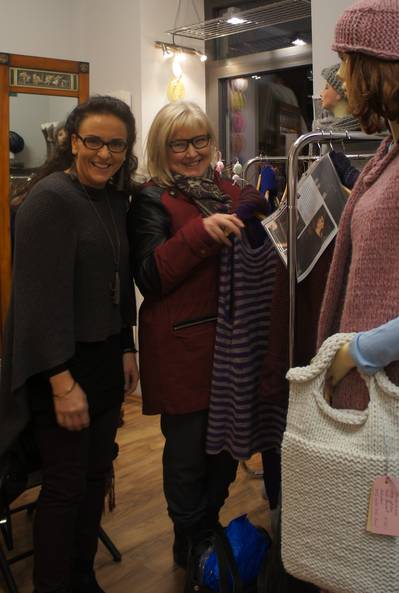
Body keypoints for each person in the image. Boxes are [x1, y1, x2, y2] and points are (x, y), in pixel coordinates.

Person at [316, 1, 399, 591]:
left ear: (377, 67)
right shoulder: (395, 152)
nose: (340, 79)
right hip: (383, 411)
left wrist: (357, 352)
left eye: (346, 62)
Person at [1, 95, 139, 593]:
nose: (105, 153)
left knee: (95, 476)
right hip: (58, 365)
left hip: (102, 359)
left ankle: (82, 577)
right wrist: (62, 383)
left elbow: (118, 280)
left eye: (116, 145)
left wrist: (126, 347)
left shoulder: (111, 198)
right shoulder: (49, 200)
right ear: (72, 141)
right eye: (94, 141)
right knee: (65, 486)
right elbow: (38, 305)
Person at [128, 100, 266, 568]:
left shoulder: (226, 189)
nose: (191, 152)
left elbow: (254, 203)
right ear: (161, 148)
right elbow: (150, 276)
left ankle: (206, 530)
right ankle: (190, 540)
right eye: (179, 144)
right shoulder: (151, 199)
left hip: (231, 345)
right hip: (181, 348)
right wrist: (201, 233)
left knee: (225, 449)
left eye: (200, 140)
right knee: (187, 454)